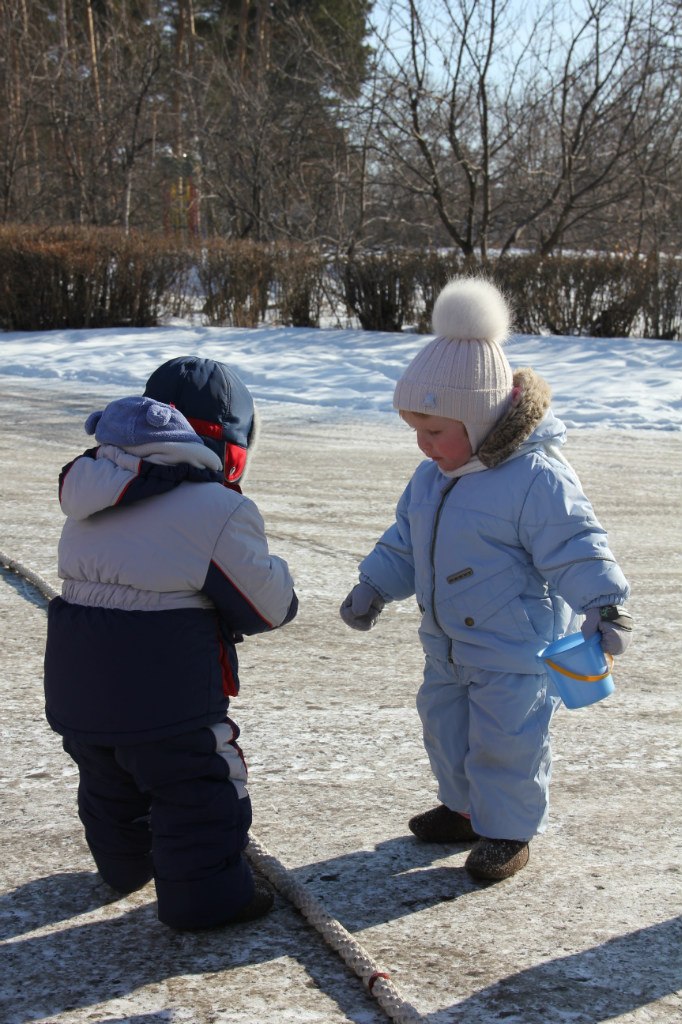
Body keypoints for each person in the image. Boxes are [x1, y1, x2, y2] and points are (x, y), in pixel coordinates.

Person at [339, 277, 633, 882]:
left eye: (434, 431)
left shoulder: (535, 478)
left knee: (507, 742)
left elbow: (575, 544)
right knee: (445, 731)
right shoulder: (431, 478)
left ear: (477, 420)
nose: (423, 445)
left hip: (514, 648)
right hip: (447, 644)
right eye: (414, 429)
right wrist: (374, 584)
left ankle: (508, 831)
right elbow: (404, 541)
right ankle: (466, 810)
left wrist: (604, 604)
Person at [44, 358, 298, 928]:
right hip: (167, 695)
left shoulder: (92, 490)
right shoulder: (217, 508)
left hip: (77, 686)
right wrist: (278, 573)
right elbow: (265, 606)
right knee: (199, 786)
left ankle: (124, 867)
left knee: (108, 776)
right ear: (231, 447)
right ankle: (207, 901)